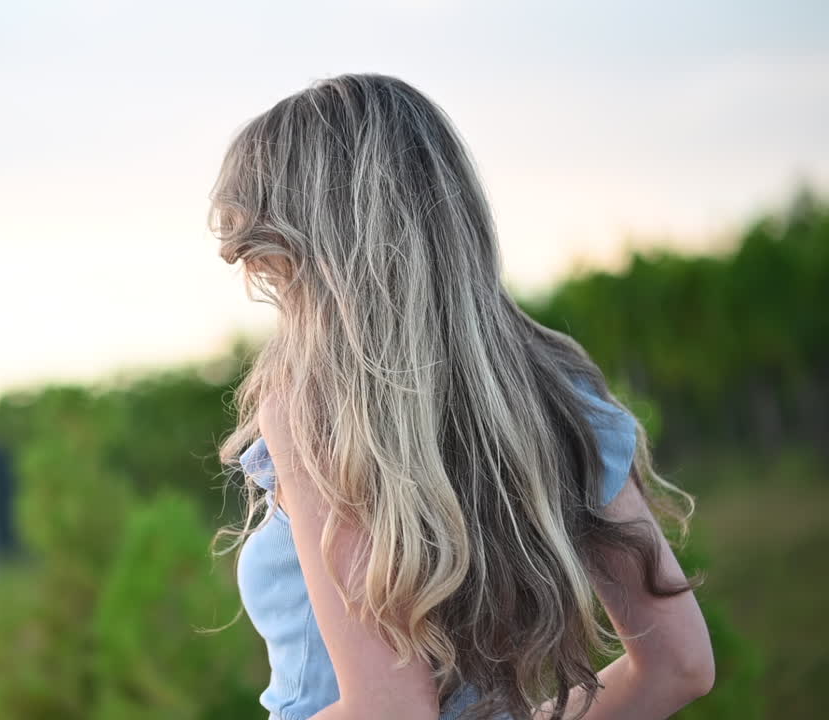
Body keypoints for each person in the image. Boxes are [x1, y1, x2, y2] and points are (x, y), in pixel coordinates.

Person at [207, 73, 715, 720]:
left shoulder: (317, 410)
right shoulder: (558, 392)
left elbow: (391, 711)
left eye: (273, 261)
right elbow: (680, 665)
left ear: (315, 249)